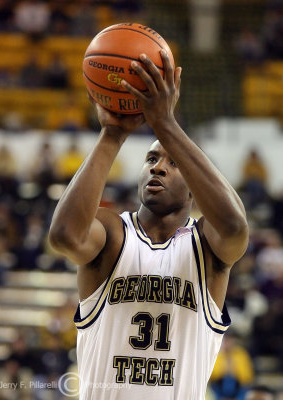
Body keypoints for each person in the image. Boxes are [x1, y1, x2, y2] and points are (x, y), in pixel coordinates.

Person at [49, 50, 249, 399]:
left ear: (194, 186)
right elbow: (65, 236)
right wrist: (111, 134)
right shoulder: (113, 235)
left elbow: (235, 226)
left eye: (173, 163)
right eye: (152, 158)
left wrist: (166, 125)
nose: (158, 167)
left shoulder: (207, 247)